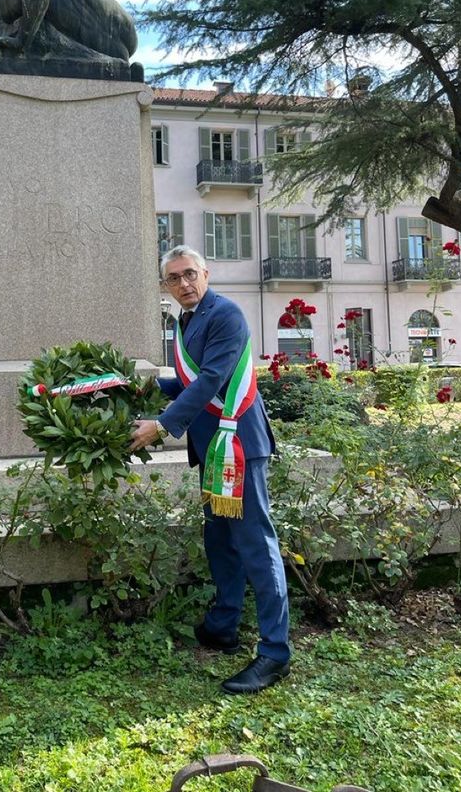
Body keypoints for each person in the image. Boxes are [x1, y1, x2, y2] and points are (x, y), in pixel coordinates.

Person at [130, 245, 290, 694]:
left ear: (206, 273)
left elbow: (210, 381)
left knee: (256, 545)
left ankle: (276, 654)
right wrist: (137, 386)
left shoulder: (226, 314)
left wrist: (161, 426)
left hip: (238, 446)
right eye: (174, 279)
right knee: (220, 539)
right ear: (166, 286)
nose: (183, 284)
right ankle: (223, 624)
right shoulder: (187, 320)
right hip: (213, 449)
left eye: (189, 274)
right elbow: (186, 381)